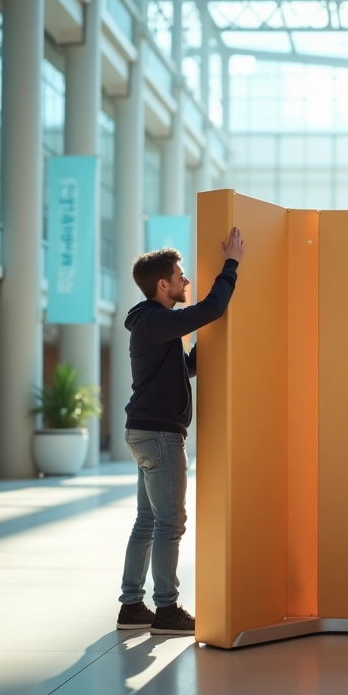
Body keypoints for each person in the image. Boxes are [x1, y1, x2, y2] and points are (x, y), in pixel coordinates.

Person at [115, 228, 246, 635]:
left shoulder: (151, 324)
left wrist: (206, 349)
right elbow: (212, 308)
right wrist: (232, 265)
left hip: (143, 431)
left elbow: (182, 368)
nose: (186, 280)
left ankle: (132, 607)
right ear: (163, 284)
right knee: (170, 523)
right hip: (159, 435)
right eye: (181, 274)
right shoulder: (156, 320)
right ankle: (167, 611)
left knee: (147, 522)